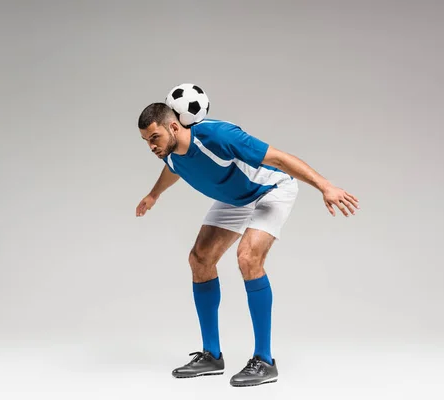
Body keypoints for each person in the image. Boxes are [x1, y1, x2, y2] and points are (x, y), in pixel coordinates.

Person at [136, 103, 359, 387]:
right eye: (146, 141)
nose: (151, 146)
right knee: (200, 259)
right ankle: (211, 356)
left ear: (174, 127)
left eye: (154, 138)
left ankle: (265, 360)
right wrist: (154, 194)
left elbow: (279, 158)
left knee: (248, 257)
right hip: (235, 198)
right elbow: (175, 167)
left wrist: (325, 186)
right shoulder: (169, 151)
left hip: (270, 189)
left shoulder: (219, 136)